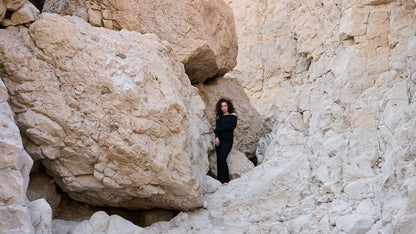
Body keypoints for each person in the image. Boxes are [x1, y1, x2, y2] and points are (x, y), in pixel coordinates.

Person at [214, 98, 237, 185]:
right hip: (219, 141)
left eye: (225, 106)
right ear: (219, 108)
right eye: (222, 106)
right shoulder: (219, 119)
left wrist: (217, 129)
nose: (223, 108)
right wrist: (216, 137)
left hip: (228, 140)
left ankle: (226, 180)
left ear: (228, 106)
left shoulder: (233, 115)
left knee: (222, 158)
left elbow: (231, 127)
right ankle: (220, 180)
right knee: (219, 160)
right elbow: (217, 131)